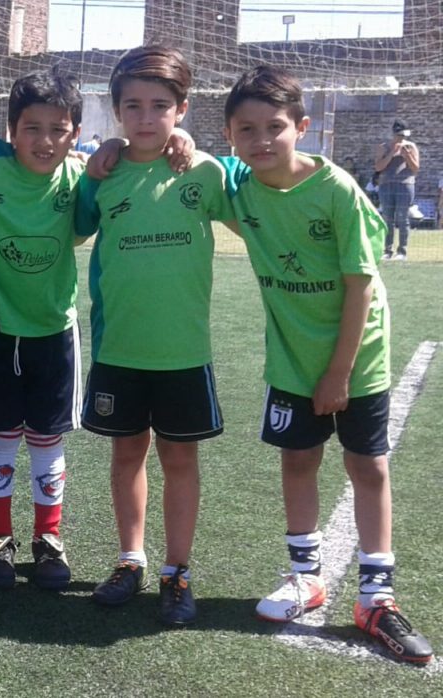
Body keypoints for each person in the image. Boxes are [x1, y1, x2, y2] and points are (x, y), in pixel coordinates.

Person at [222, 65, 434, 664]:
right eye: (246, 130)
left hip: (357, 356)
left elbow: (361, 286)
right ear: (230, 135)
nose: (262, 140)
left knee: (368, 465)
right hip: (291, 359)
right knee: (298, 460)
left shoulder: (336, 189)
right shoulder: (240, 188)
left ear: (302, 127)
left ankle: (376, 596)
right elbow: (193, 168)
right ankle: (306, 578)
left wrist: (339, 372)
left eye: (275, 126)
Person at [77, 45, 234, 626]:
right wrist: (97, 160)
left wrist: (193, 144)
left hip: (182, 351)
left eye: (160, 106)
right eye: (133, 106)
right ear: (117, 111)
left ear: (181, 109)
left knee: (180, 459)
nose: (146, 117)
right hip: (120, 347)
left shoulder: (204, 171)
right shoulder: (103, 174)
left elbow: (254, 198)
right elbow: (73, 227)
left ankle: (177, 569)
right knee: (126, 454)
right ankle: (131, 559)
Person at [0, 67, 84, 591]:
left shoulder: (81, 178)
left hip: (54, 331)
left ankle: (48, 538)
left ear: (74, 134)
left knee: (45, 438)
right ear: (11, 129)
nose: (45, 140)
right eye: (31, 128)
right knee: (0, 436)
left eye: (59, 129)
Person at [373, 119, 419, 260]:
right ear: (394, 133)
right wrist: (392, 153)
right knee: (387, 218)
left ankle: (402, 252)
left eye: (404, 135)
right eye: (400, 135)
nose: (402, 138)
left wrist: (407, 156)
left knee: (402, 218)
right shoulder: (383, 147)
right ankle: (387, 251)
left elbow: (415, 169)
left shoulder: (411, 146)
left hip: (405, 185)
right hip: (386, 185)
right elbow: (378, 167)